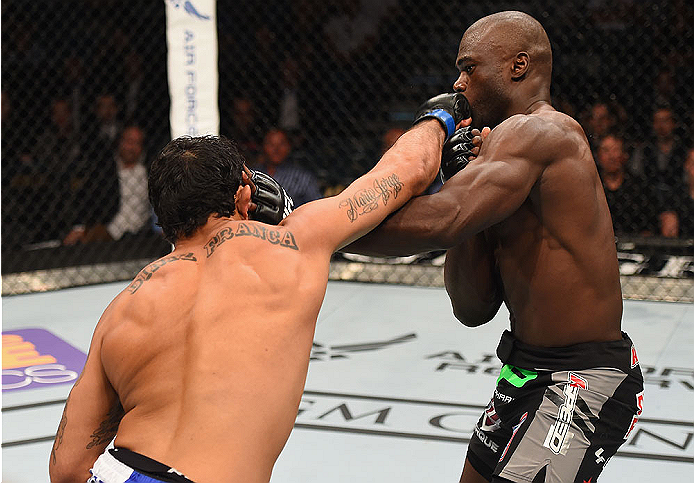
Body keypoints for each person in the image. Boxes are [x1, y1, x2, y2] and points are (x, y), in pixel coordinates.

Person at [48, 94, 466, 482]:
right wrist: (440, 116)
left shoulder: (123, 307)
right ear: (245, 191)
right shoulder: (297, 241)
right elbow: (404, 172)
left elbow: (67, 468)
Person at [346, 11, 644, 483]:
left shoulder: (546, 131)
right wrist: (463, 179)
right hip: (525, 369)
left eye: (470, 68)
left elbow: (443, 220)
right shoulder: (501, 150)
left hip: (581, 380)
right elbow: (472, 307)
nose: (458, 83)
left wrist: (309, 225)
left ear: (518, 66)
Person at [596, 133, 655, 236]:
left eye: (615, 150)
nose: (611, 156)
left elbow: (648, 228)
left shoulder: (639, 186)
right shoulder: (592, 185)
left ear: (624, 155)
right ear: (598, 156)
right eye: (605, 150)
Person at [254, 127, 323, 206]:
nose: (276, 149)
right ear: (263, 147)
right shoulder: (254, 174)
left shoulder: (303, 177)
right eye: (271, 144)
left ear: (289, 147)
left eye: (282, 144)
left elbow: (317, 206)